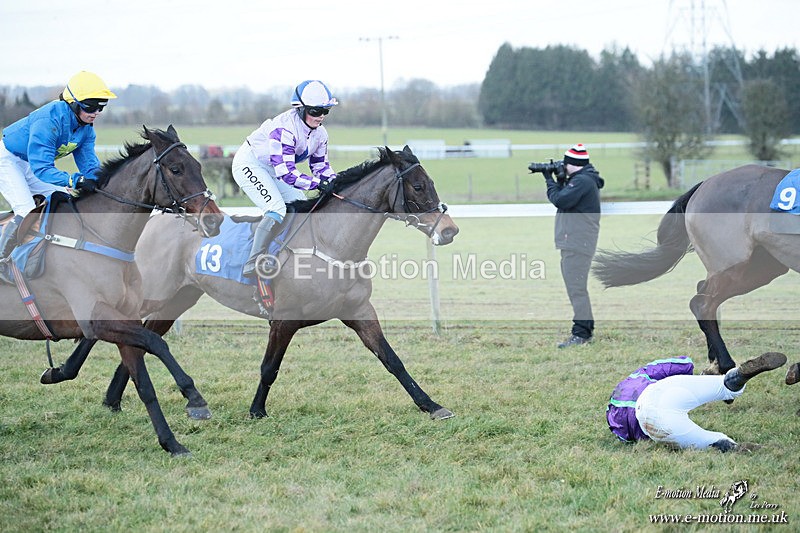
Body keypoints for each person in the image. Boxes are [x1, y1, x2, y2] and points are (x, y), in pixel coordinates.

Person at [0, 71, 116, 260]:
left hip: (30, 162)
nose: (96, 112)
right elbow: (42, 168)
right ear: (73, 103)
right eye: (91, 106)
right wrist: (72, 180)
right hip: (8, 160)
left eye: (101, 107)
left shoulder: (86, 128)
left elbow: (89, 166)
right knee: (27, 210)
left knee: (63, 202)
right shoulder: (48, 121)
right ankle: (3, 262)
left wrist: (105, 183)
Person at [232, 80, 339, 278]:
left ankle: (290, 255)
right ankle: (253, 262)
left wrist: (336, 183)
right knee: (277, 209)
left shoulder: (321, 134)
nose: (321, 116)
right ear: (300, 109)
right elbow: (287, 174)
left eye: (326, 111)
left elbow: (320, 167)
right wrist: (318, 184)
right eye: (316, 111)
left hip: (274, 167)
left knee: (301, 206)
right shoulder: (284, 129)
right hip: (250, 164)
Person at [606, 351, 787, 452]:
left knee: (709, 440)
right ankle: (737, 375)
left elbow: (625, 437)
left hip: (649, 419)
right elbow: (683, 364)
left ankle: (732, 446)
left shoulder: (613, 415)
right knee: (723, 386)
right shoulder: (641, 374)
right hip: (663, 390)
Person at [541, 143, 604, 348]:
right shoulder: (582, 180)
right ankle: (584, 330)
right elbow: (566, 198)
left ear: (573, 164)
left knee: (577, 289)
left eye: (566, 164)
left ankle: (581, 334)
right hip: (576, 242)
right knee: (576, 288)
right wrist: (560, 179)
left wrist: (549, 180)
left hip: (578, 243)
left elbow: (560, 199)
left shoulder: (583, 181)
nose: (564, 166)